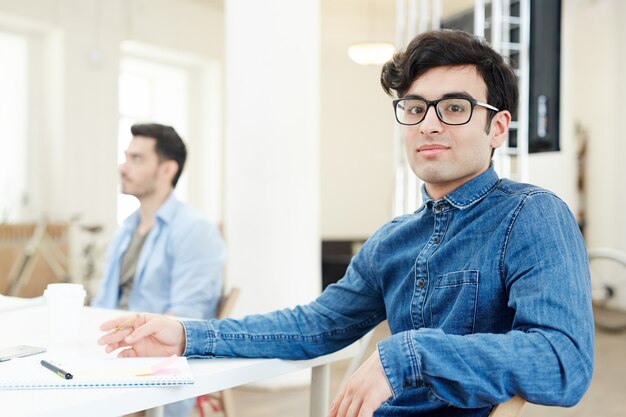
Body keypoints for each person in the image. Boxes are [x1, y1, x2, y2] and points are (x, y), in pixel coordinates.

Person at [98, 30, 593, 417]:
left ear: (497, 128)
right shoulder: (394, 240)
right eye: (416, 108)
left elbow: (562, 360)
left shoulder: (532, 215)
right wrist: (188, 335)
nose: (429, 123)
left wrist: (409, 356)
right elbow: (315, 325)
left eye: (456, 107)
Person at [92, 123, 226, 417]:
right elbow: (103, 304)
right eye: (126, 156)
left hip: (150, 368)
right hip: (106, 356)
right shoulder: (125, 230)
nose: (123, 167)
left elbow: (188, 320)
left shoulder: (194, 231)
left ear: (167, 170)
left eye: (136, 159)